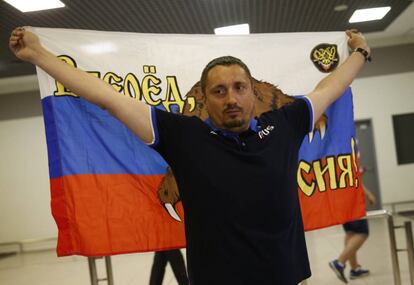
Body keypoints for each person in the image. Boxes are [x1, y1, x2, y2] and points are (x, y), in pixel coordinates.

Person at [9, 27, 371, 285]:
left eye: (239, 87)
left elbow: (331, 86)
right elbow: (107, 98)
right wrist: (38, 55)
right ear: (205, 98)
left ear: (252, 92)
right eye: (219, 90)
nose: (230, 98)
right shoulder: (183, 135)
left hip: (286, 277)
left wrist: (360, 52)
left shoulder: (286, 123)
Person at [329, 181, 377, 283]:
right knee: (362, 233)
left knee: (350, 233)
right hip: (351, 199)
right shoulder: (347, 164)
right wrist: (368, 194)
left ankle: (355, 269)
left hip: (339, 200)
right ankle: (339, 262)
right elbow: (354, 178)